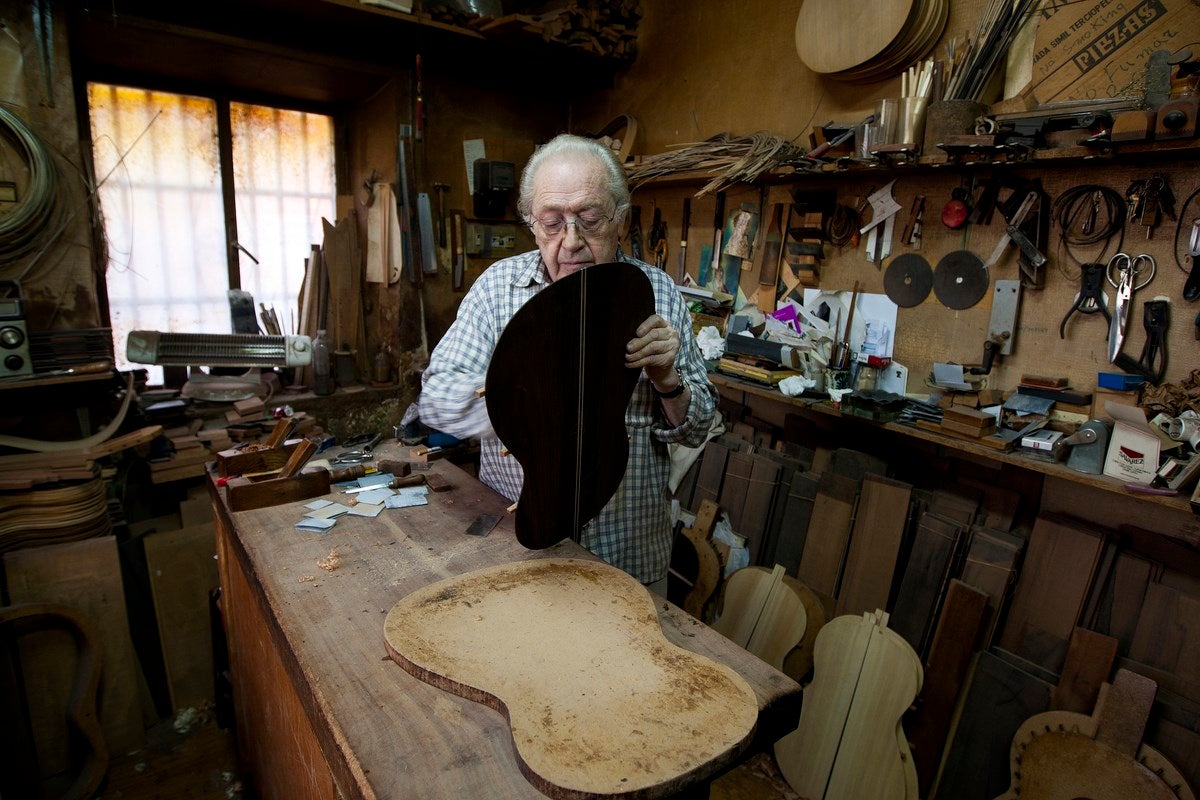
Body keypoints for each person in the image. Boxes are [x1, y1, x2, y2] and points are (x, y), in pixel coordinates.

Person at [418, 133, 717, 593]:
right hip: (524, 549)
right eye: (552, 223)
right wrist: (524, 403)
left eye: (589, 218)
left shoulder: (658, 295)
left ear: (620, 218)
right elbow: (436, 400)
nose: (571, 241)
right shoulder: (499, 290)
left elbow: (698, 429)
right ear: (532, 224)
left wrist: (666, 378)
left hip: (629, 555)